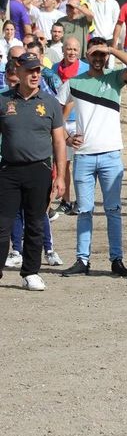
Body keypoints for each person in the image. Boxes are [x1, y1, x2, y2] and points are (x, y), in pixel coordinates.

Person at [58, 39, 127, 278]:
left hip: (110, 155)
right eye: (94, 54)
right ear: (87, 56)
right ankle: (82, 260)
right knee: (84, 211)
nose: (98, 58)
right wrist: (66, 136)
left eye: (101, 55)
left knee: (113, 210)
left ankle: (116, 260)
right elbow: (55, 111)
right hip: (84, 156)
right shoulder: (74, 82)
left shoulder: (115, 78)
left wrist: (112, 50)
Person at [0, 53, 66, 291]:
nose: (35, 74)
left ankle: (30, 272)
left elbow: (59, 141)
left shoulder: (49, 102)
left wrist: (60, 177)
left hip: (39, 170)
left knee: (36, 223)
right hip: (8, 170)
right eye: (30, 70)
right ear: (18, 72)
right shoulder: (3, 100)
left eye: (38, 70)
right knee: (2, 224)